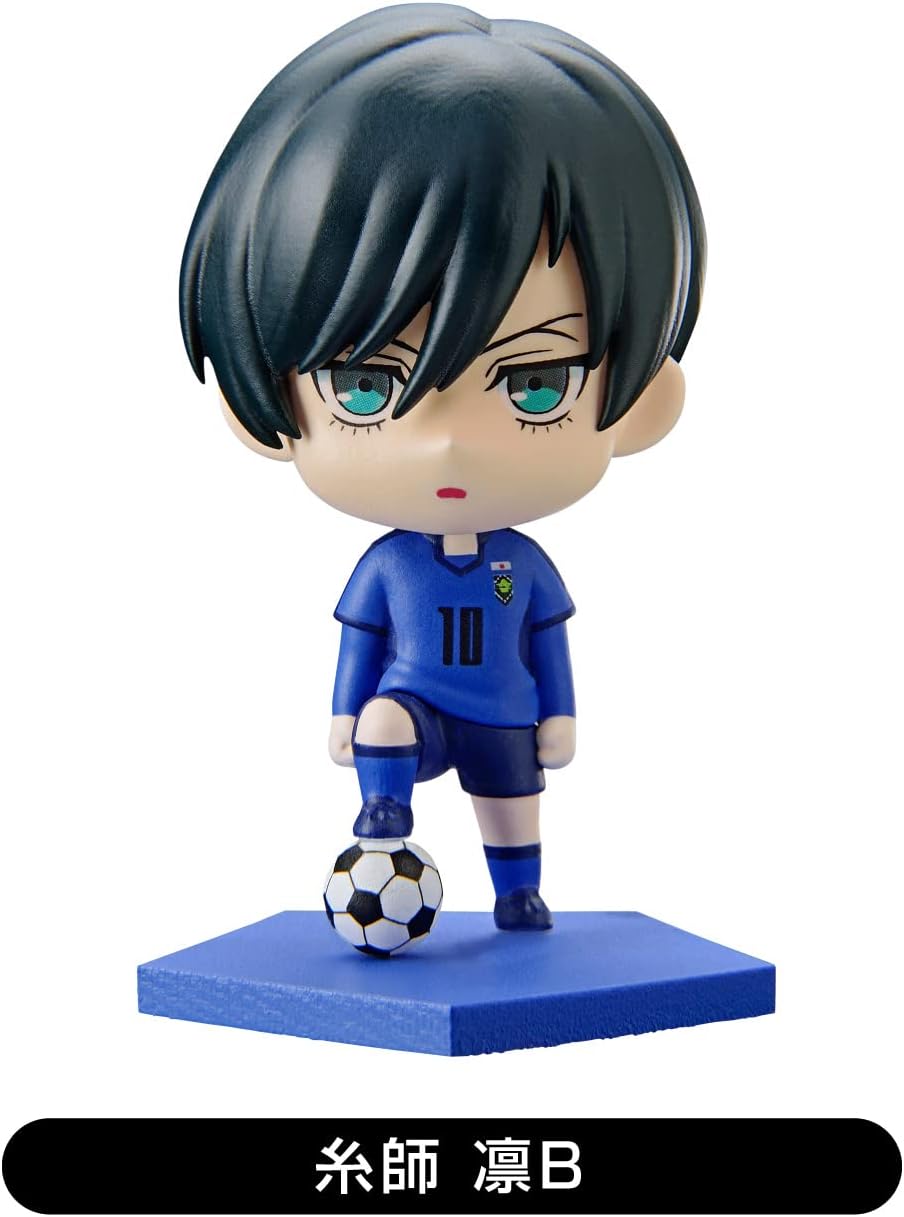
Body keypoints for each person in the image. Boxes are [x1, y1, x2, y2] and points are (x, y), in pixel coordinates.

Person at [179, 4, 706, 930]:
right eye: (366, 384)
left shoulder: (524, 566)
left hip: (504, 711)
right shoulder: (389, 566)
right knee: (383, 719)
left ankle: (518, 892)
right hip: (414, 704)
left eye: (537, 382)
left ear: (641, 404)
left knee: (514, 803)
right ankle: (383, 814)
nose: (447, 442)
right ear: (259, 402)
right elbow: (361, 645)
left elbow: (547, 643)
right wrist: (343, 713)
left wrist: (561, 714)